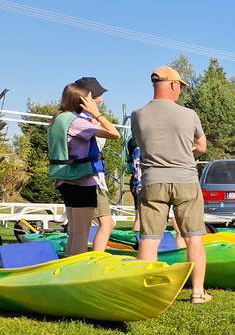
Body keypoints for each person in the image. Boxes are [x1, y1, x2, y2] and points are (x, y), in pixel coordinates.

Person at [131, 66, 210, 303]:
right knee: (193, 238)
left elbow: (140, 143)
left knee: (149, 238)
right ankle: (197, 293)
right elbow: (202, 146)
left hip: (153, 181)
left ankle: (146, 293)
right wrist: (186, 149)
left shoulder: (137, 115)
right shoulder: (189, 114)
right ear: (174, 85)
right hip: (185, 181)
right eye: (181, 87)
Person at [47, 82, 121, 255]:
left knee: (73, 232)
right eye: (89, 98)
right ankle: (76, 275)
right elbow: (115, 133)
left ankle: (66, 271)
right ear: (81, 101)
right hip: (82, 181)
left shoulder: (59, 118)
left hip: (65, 179)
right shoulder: (77, 122)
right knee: (81, 234)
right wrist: (97, 113)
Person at [73, 77, 117, 252]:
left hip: (89, 177)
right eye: (97, 95)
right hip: (90, 178)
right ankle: (94, 261)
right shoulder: (84, 121)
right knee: (107, 223)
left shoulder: (78, 119)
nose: (101, 99)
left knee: (80, 228)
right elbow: (114, 133)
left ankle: (81, 261)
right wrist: (97, 115)